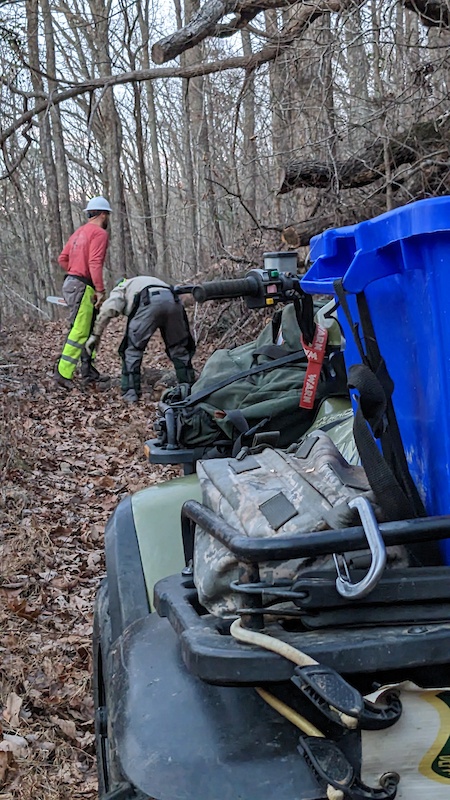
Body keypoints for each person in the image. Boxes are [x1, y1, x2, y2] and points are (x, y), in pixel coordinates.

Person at [85, 275, 196, 403]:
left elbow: (109, 308)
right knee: (179, 349)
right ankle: (189, 390)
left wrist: (95, 335)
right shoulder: (146, 280)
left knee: (132, 350)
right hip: (173, 301)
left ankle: (130, 394)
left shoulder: (122, 287)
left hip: (148, 302)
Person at [54, 196, 112, 390]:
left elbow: (63, 258)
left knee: (90, 329)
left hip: (74, 283)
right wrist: (100, 290)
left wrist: (74, 270)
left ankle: (88, 371)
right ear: (103, 214)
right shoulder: (99, 233)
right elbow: (95, 263)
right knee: (79, 331)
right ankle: (63, 372)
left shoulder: (79, 232)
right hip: (83, 286)